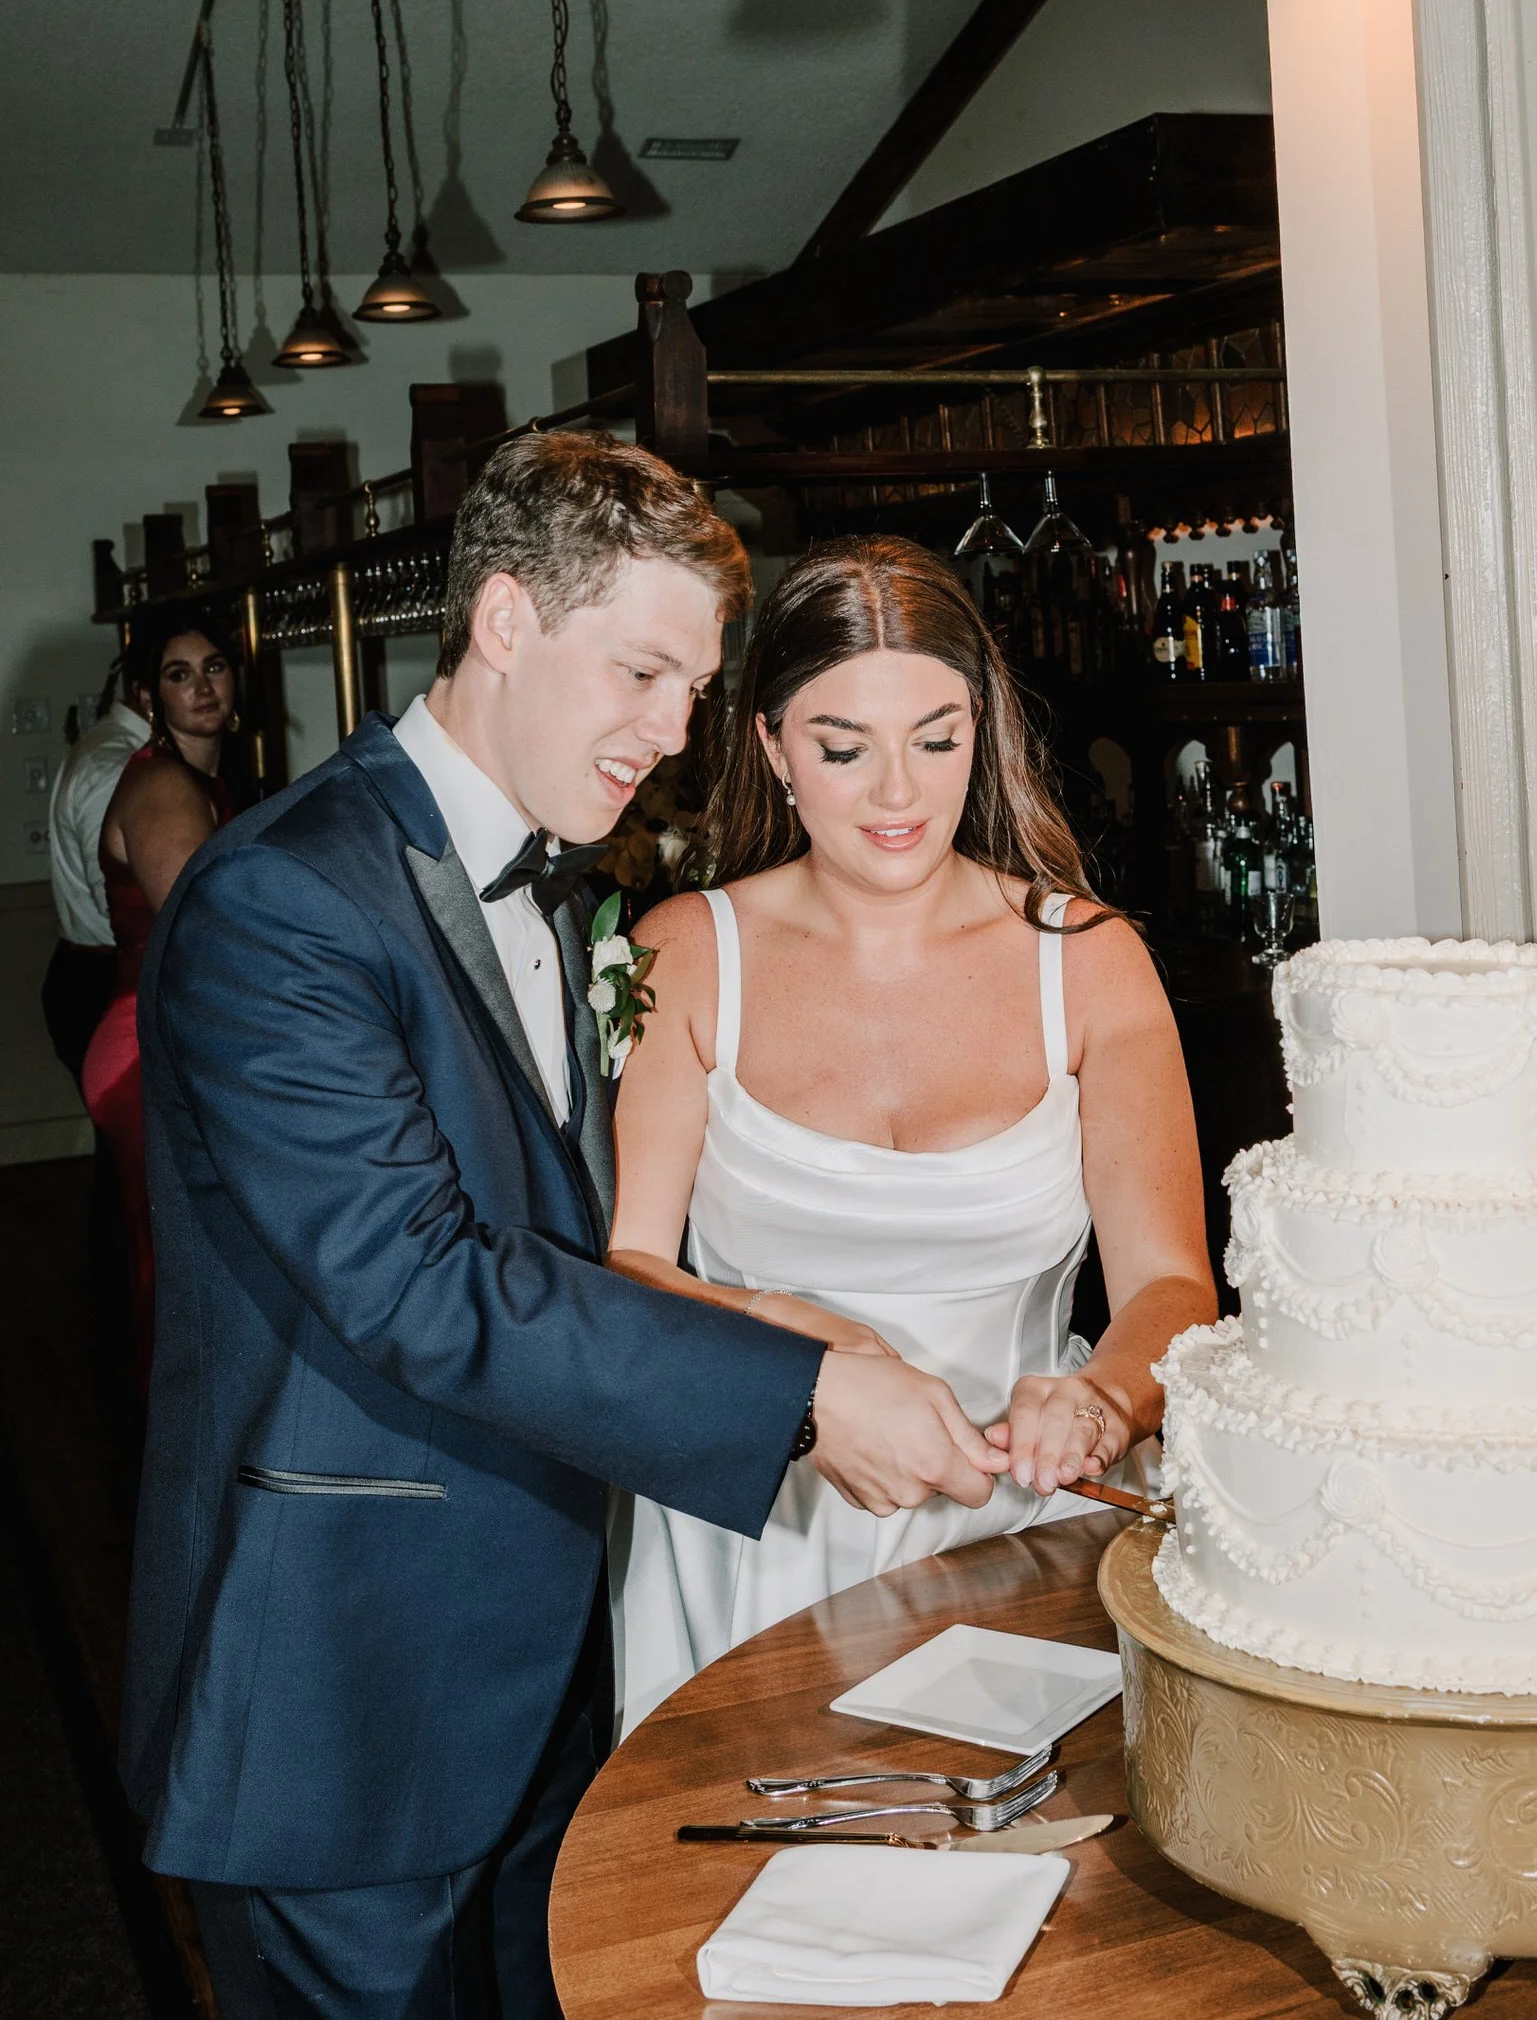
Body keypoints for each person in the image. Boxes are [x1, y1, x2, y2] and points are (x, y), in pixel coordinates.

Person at [120, 435, 1008, 2020]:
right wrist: (797, 1399)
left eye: (694, 685)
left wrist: (786, 1320)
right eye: (645, 672)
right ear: (509, 621)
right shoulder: (282, 900)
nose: (672, 734)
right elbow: (423, 1285)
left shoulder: (562, 877)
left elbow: (574, 1246)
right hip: (347, 1686)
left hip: (547, 1668)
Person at [606, 535, 1216, 1734]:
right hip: (754, 1535)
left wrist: (1099, 1399)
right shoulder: (683, 955)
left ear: (983, 731)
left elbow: (1174, 1284)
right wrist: (798, 1361)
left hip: (1030, 1533)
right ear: (773, 744)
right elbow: (625, 1273)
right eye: (845, 750)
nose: (900, 796)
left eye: (937, 740)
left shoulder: (1088, 964)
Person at [81, 616, 238, 1382]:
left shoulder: (196, 779)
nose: (203, 686)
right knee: (174, 1262)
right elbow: (207, 936)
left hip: (167, 1031)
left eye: (214, 667)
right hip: (150, 1043)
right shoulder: (162, 783)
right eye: (181, 674)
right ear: (149, 695)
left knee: (182, 1255)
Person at [41, 660, 151, 1080]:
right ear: (146, 692)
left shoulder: (111, 746)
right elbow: (114, 896)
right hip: (104, 982)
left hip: (91, 976)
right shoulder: (115, 763)